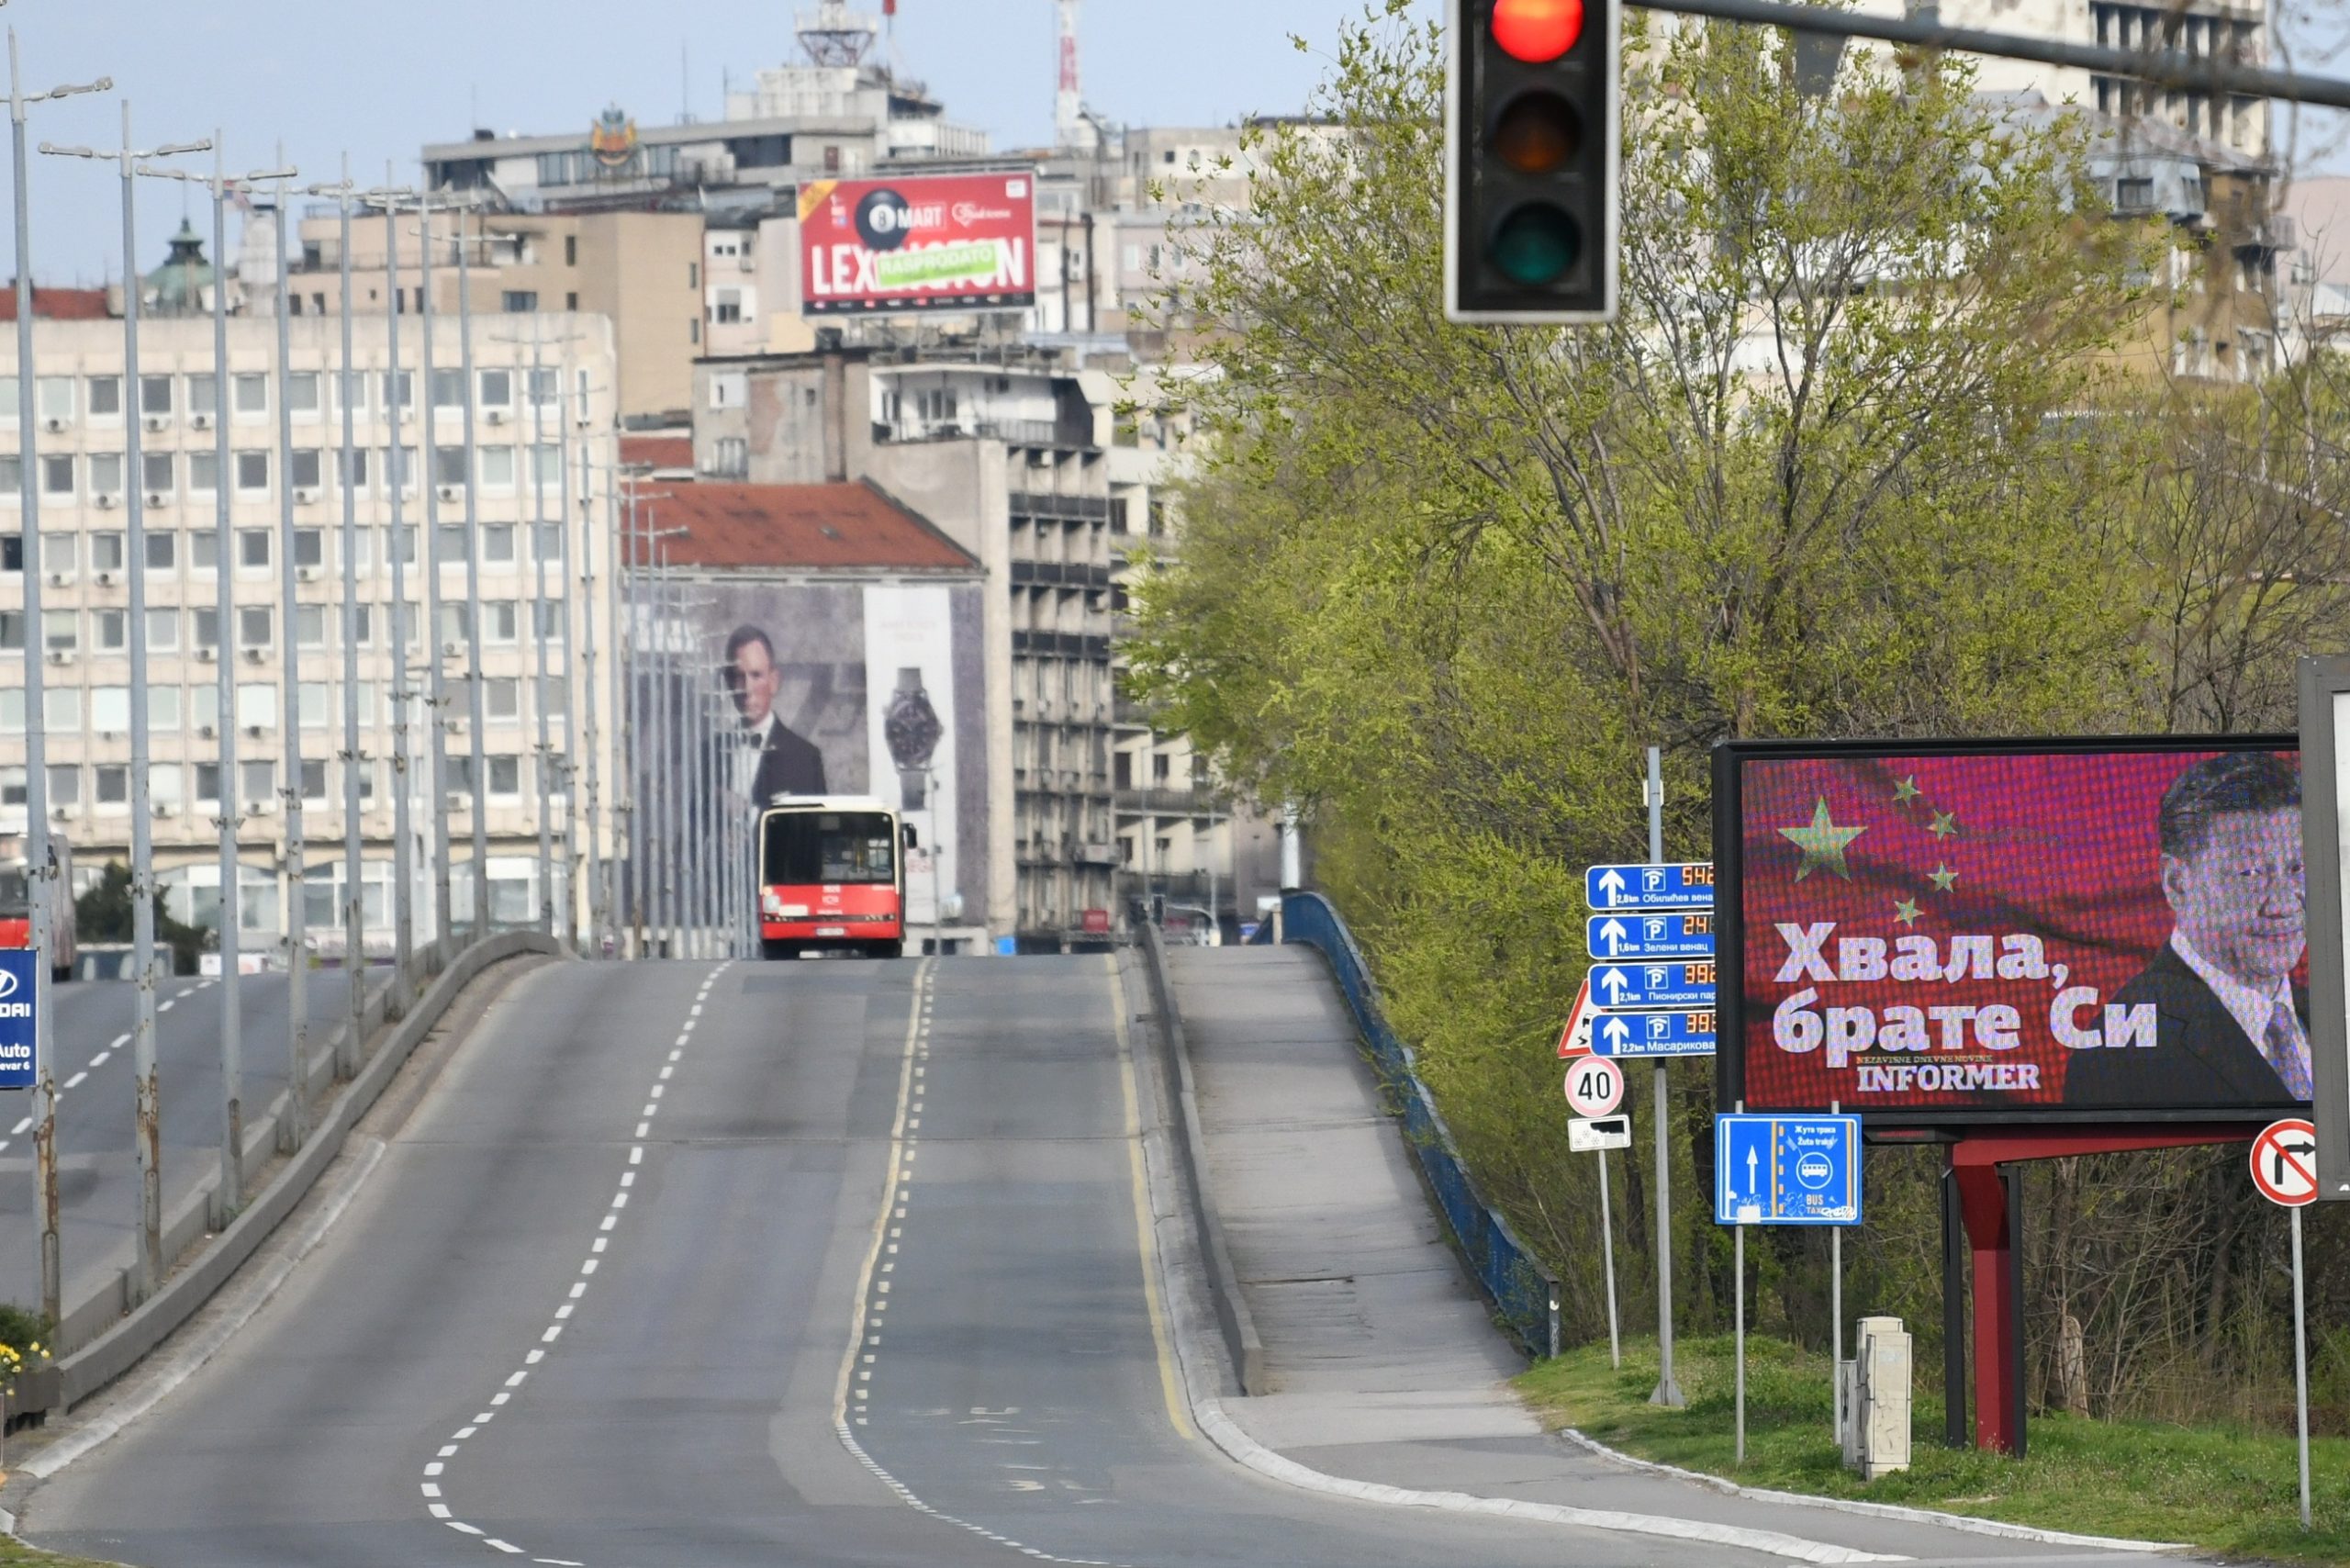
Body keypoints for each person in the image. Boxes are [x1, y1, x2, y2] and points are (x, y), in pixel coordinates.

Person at [2066, 752, 2310, 1108]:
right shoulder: (2118, 1053)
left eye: (2297, 868)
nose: (2283, 905)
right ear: (2177, 883)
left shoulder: (2327, 1013)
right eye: (2251, 873)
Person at [722, 625, 827, 803]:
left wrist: (748, 811)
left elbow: (812, 821)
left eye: (756, 675)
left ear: (774, 682)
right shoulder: (709, 755)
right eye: (739, 676)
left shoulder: (805, 758)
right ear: (728, 683)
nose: (747, 689)